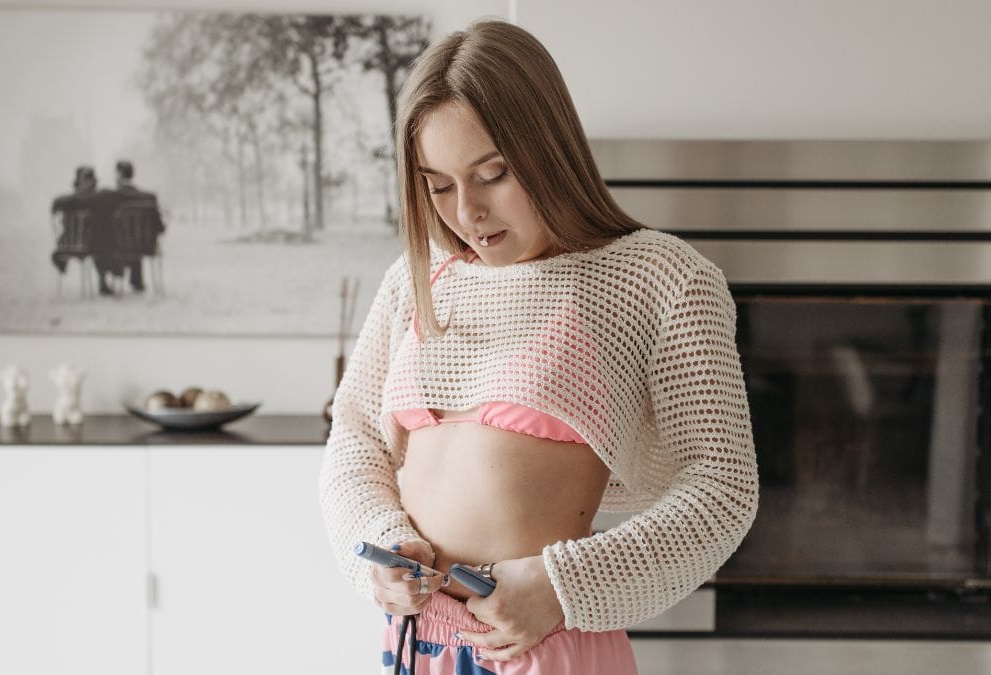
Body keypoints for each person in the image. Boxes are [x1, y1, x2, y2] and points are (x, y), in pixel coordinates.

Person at [318, 19, 758, 675]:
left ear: (548, 149)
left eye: (490, 174)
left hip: (539, 648)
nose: (466, 211)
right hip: (415, 647)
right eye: (438, 185)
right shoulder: (419, 281)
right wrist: (378, 547)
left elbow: (723, 489)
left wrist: (564, 584)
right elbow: (353, 434)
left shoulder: (659, 279)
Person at [104, 159, 164, 293]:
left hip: (121, 246)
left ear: (119, 174)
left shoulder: (112, 197)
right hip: (147, 246)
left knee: (113, 234)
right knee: (135, 236)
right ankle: (136, 280)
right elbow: (159, 227)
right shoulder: (149, 197)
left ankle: (108, 281)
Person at [49, 165, 99, 275]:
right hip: (93, 244)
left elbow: (56, 206)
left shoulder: (65, 201)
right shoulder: (97, 199)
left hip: (69, 244)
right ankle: (103, 282)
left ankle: (62, 265)